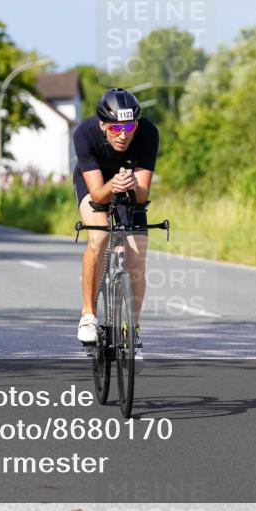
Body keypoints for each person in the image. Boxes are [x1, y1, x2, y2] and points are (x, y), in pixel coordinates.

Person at [73, 88, 159, 370]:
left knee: (137, 253)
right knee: (98, 237)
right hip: (96, 183)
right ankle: (88, 314)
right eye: (117, 128)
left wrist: (133, 185)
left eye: (130, 127)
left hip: (129, 184)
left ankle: (131, 331)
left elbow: (144, 194)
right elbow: (97, 194)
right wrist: (112, 186)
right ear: (103, 125)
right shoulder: (85, 134)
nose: (124, 135)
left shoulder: (147, 133)